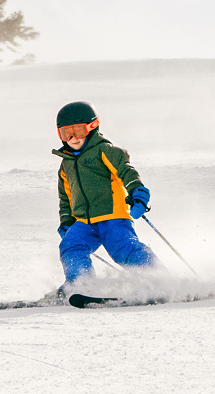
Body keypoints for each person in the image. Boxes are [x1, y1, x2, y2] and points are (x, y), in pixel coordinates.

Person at [53, 101, 158, 286]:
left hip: (113, 217)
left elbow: (125, 171)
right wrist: (67, 222)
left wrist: (137, 191)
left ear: (92, 127)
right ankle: (81, 284)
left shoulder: (104, 151)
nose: (72, 138)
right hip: (84, 222)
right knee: (71, 247)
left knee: (124, 250)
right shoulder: (65, 165)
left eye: (78, 131)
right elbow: (65, 198)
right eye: (65, 133)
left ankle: (159, 279)